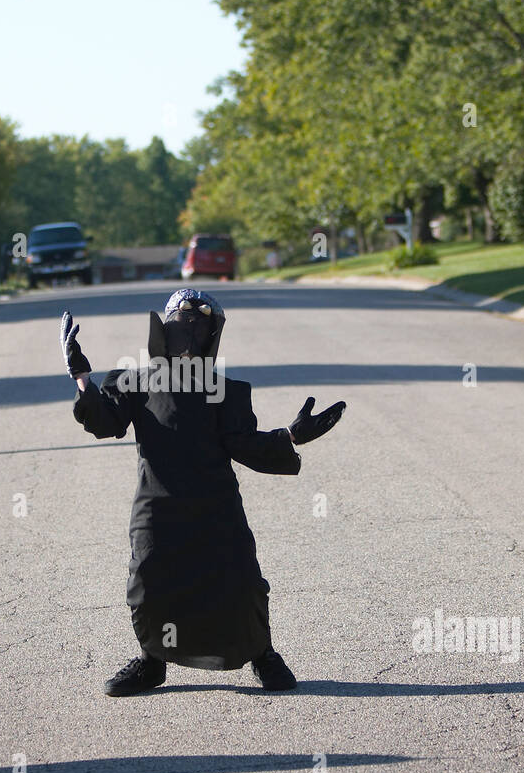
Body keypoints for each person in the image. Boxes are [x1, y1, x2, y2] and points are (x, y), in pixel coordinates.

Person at [61, 288, 347, 696]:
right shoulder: (134, 382)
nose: (190, 332)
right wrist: (81, 378)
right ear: (164, 327)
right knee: (148, 582)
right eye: (181, 322)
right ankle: (151, 662)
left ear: (213, 336)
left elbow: (243, 445)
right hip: (157, 506)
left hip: (216, 506)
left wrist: (291, 436)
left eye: (201, 325)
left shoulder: (226, 390)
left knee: (242, 581)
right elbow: (106, 422)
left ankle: (263, 654)